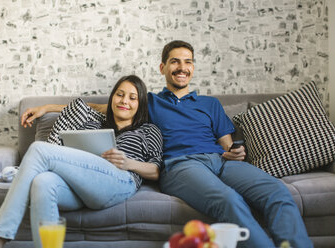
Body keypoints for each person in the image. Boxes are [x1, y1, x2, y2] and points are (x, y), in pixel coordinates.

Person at [20, 41, 313, 248]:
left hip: (219, 162)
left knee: (277, 191)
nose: (181, 67)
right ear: (163, 67)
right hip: (180, 166)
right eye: (175, 61)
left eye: (187, 62)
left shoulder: (210, 104)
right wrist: (47, 106)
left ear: (193, 69)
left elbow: (228, 145)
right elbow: (106, 106)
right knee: (228, 200)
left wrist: (235, 150)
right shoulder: (150, 102)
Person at [0, 75, 163, 248]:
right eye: (119, 95)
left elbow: (156, 170)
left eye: (132, 98)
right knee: (42, 182)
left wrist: (128, 163)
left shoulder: (148, 130)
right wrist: (47, 108)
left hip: (120, 181)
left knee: (38, 149)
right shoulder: (93, 123)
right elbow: (78, 107)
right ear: (112, 98)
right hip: (81, 184)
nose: (124, 101)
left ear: (141, 104)